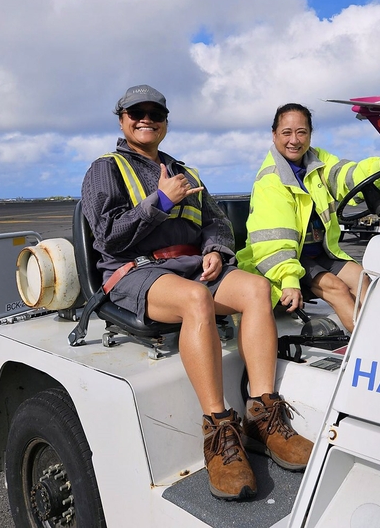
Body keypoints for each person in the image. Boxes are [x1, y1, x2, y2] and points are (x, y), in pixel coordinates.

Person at [81, 85, 313, 501]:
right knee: (196, 298)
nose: (146, 118)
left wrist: (215, 250)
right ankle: (220, 428)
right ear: (122, 120)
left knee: (258, 289)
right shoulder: (106, 169)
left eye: (155, 113)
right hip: (136, 271)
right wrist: (160, 203)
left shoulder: (186, 172)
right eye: (137, 112)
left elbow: (217, 223)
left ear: (166, 123)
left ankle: (263, 415)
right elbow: (108, 237)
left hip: (190, 265)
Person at [237, 102, 380, 332]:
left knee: (362, 278)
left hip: (320, 251)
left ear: (310, 134)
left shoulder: (317, 160)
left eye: (301, 132)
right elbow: (274, 241)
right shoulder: (271, 181)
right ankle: (369, 348)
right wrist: (289, 280)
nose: (294, 140)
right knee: (336, 289)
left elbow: (345, 175)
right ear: (274, 135)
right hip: (285, 260)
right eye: (286, 133)